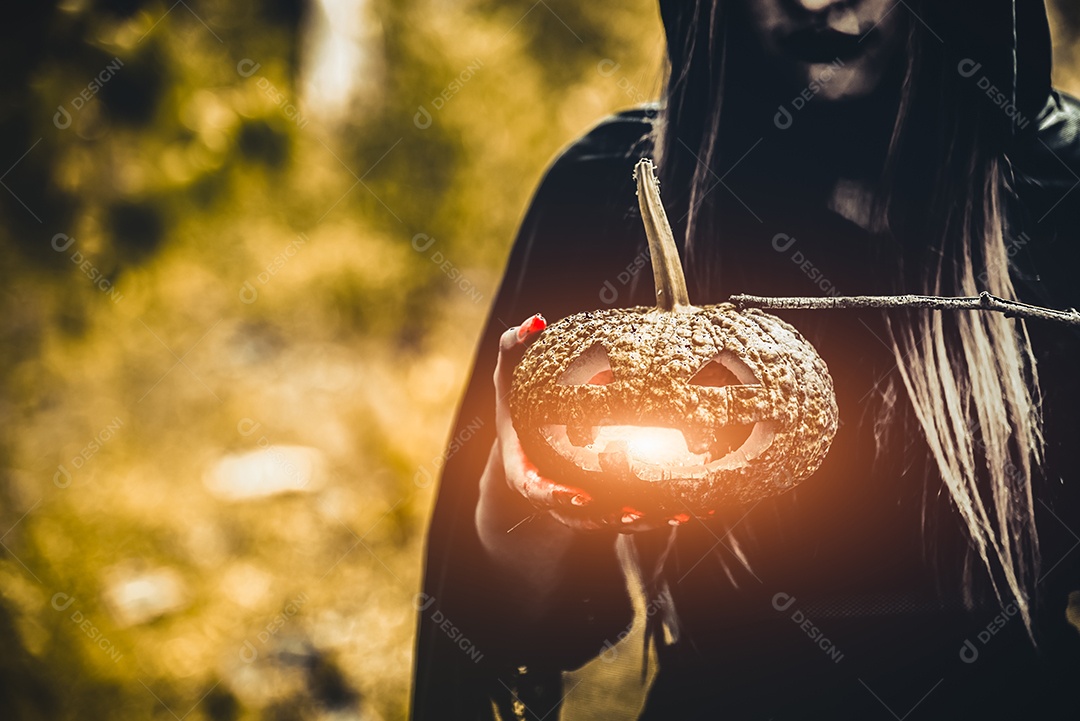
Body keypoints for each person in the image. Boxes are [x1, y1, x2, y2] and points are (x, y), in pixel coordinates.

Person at [412, 0, 1080, 718]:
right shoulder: (614, 189)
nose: (819, 0)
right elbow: (503, 627)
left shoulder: (1059, 184)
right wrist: (527, 504)